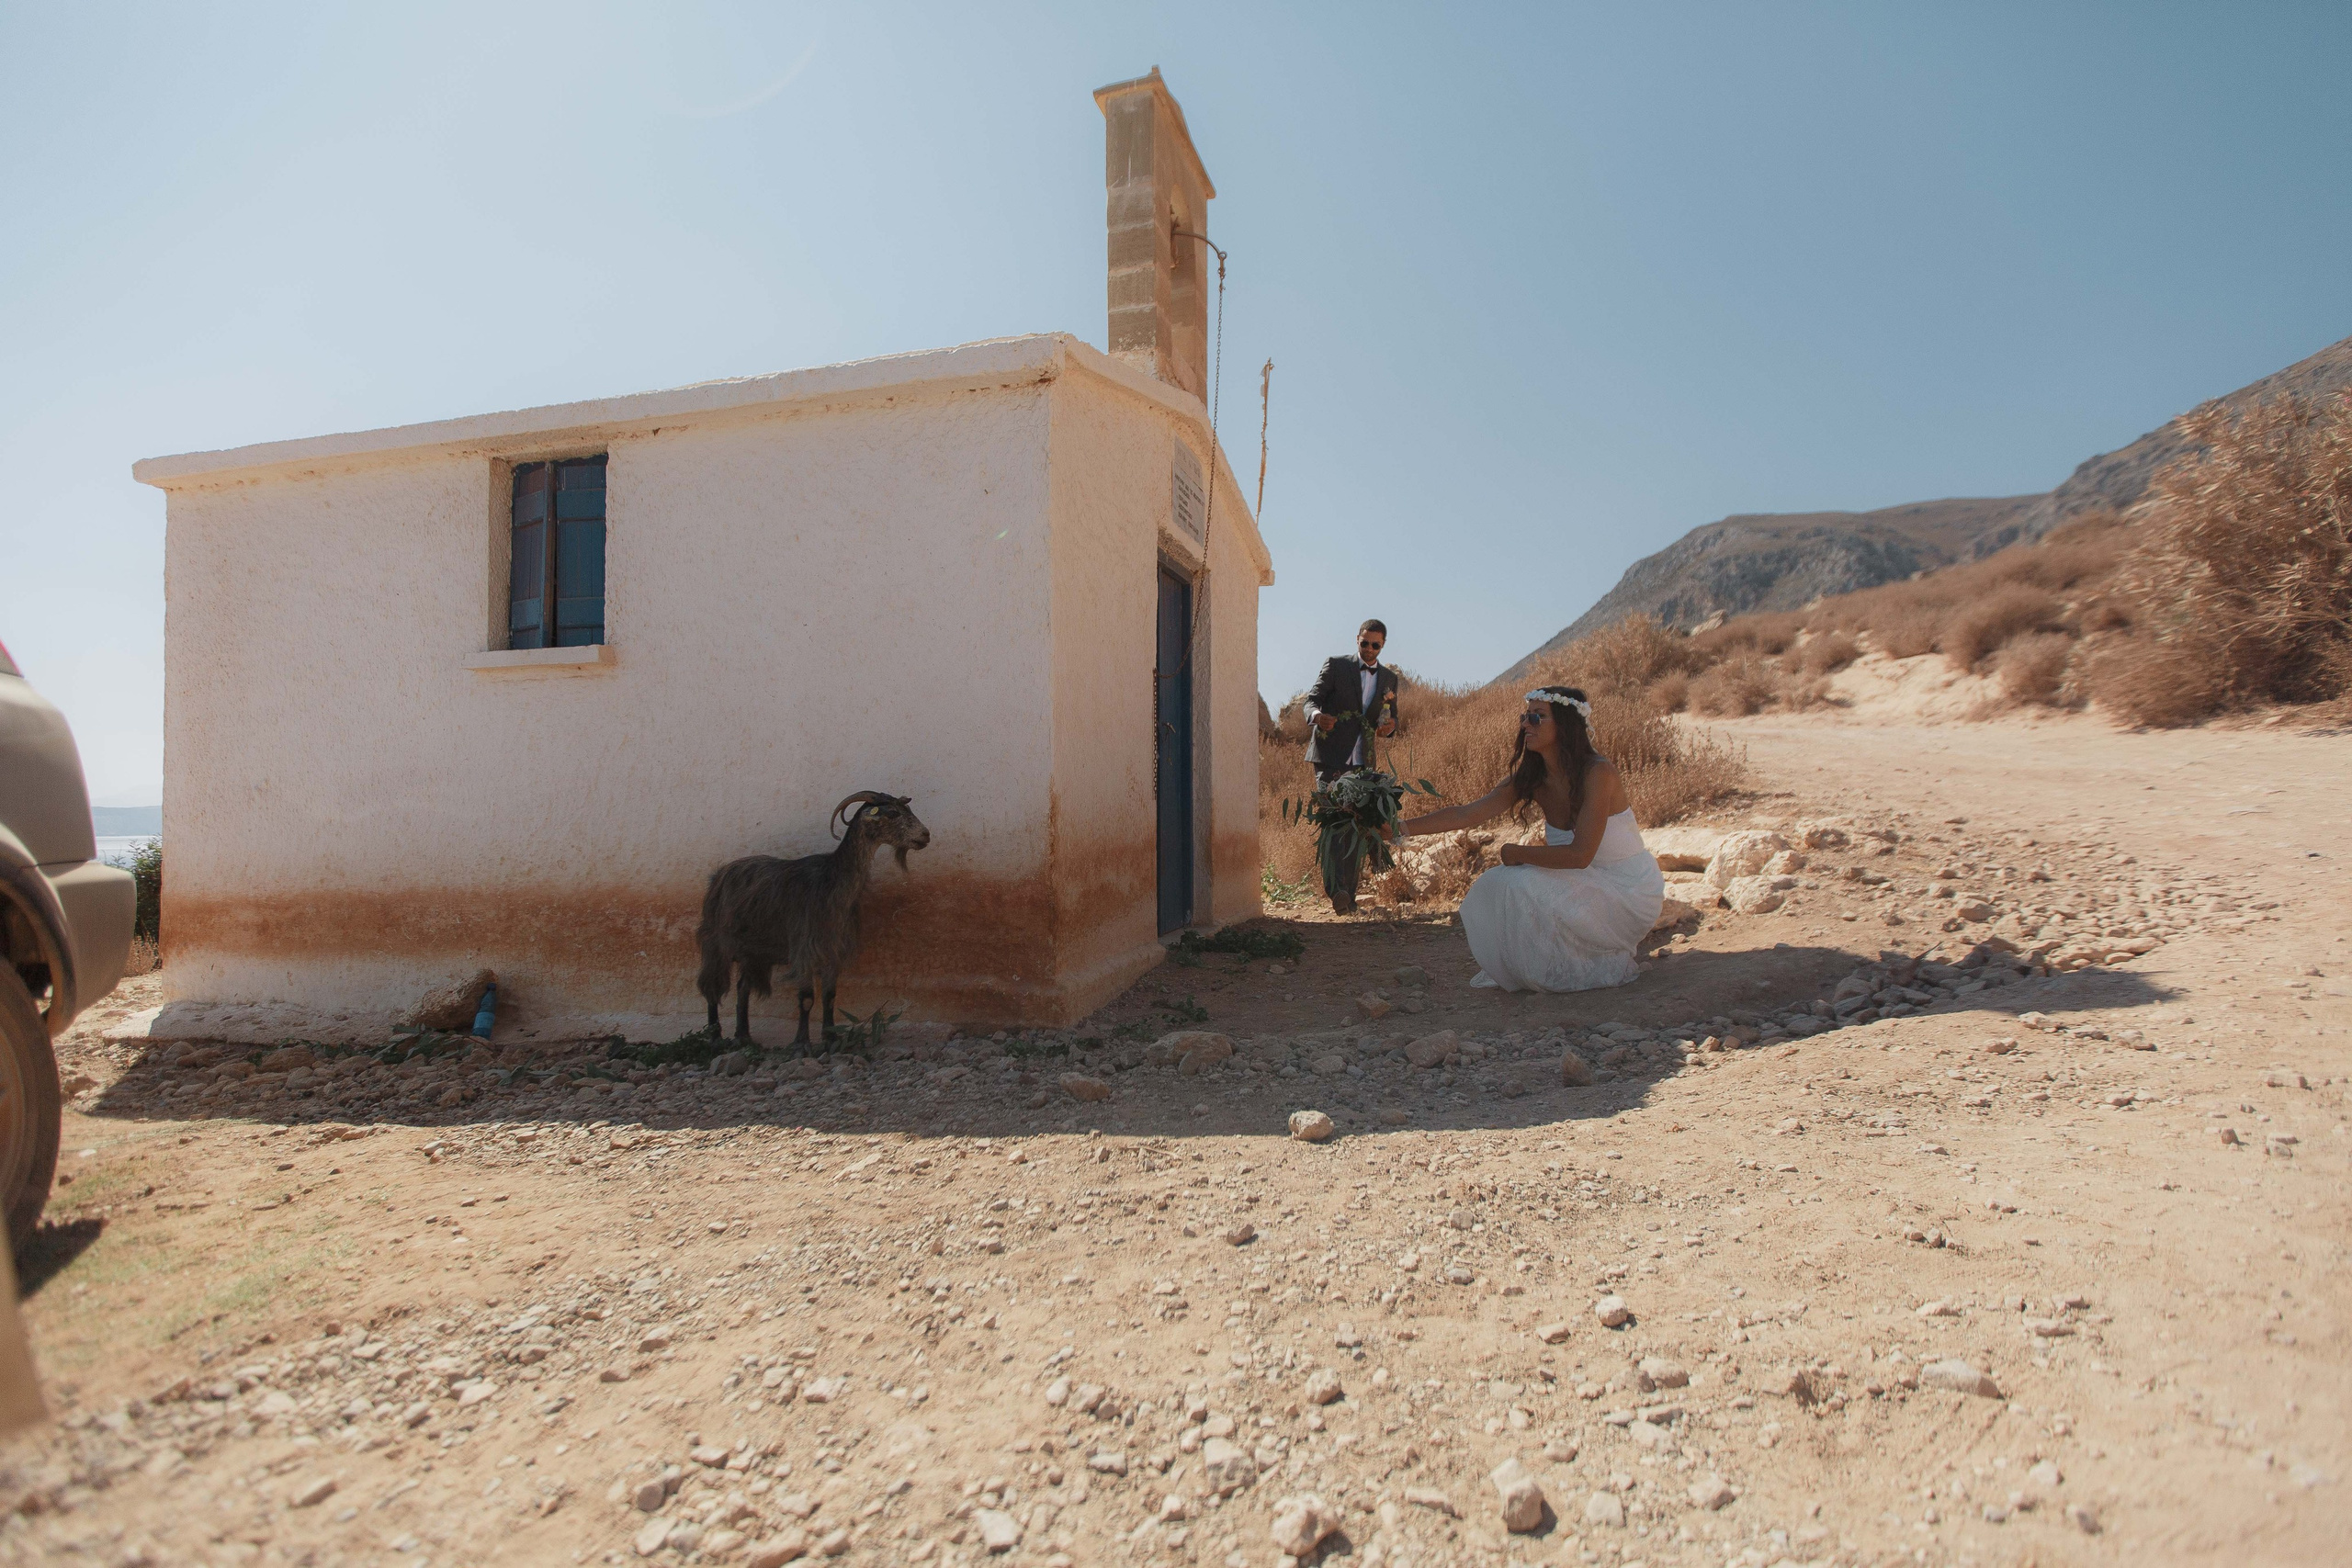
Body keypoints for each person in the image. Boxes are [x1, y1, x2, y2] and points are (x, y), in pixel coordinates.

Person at [1392, 685, 1663, 991]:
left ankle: (1583, 964)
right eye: (1525, 716)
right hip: (1582, 883)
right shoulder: (1532, 778)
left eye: (1538, 717)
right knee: (1494, 884)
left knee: (1518, 882)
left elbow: (1580, 855)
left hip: (1627, 890)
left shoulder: (1598, 774)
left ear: (1565, 724)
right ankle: (1547, 967)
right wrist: (1399, 827)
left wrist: (1517, 853)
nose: (1525, 724)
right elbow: (1465, 814)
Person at [1303, 619, 1401, 913]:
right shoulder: (1336, 666)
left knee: (1358, 825)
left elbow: (1390, 718)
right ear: (1356, 640)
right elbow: (1311, 701)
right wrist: (1318, 716)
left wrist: (1389, 727)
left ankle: (1351, 894)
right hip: (1330, 756)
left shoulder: (1388, 679)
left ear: (1383, 646)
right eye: (1365, 643)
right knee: (1335, 824)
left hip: (1363, 762)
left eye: (1376, 645)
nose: (1369, 649)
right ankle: (1338, 892)